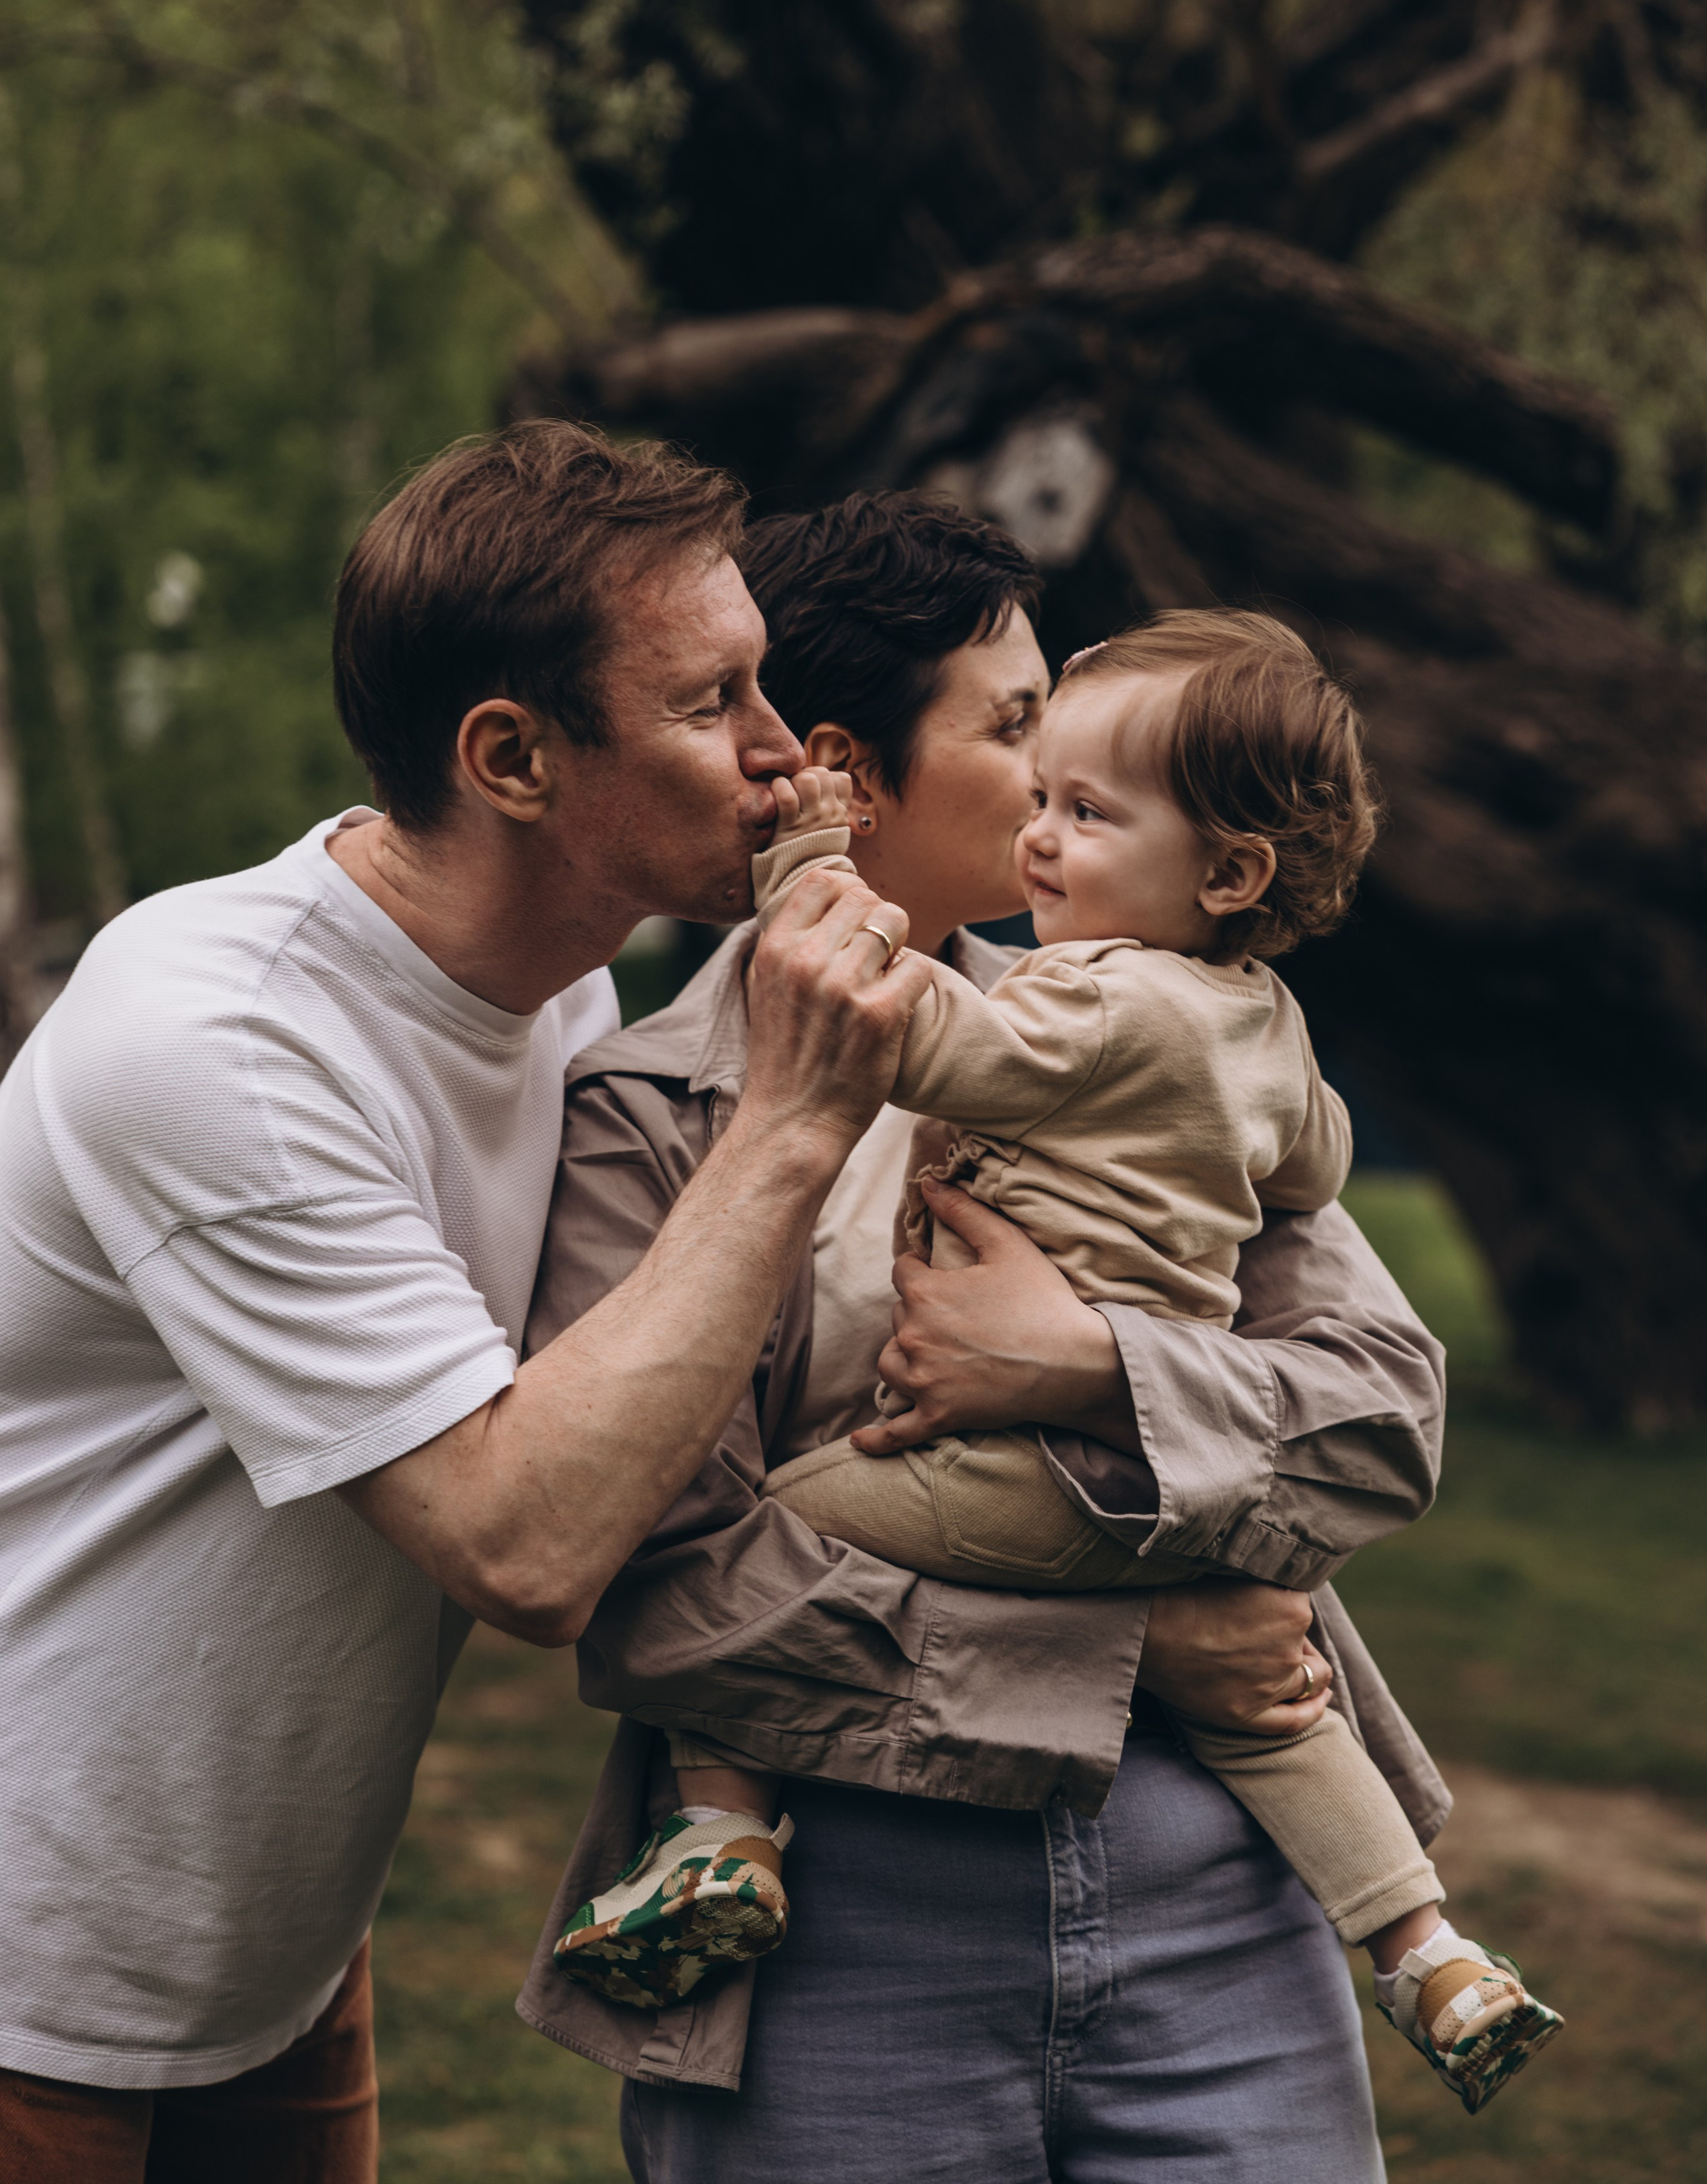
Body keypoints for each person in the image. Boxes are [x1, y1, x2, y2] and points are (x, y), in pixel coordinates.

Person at [0, 425, 932, 2182]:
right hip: (37, 1953)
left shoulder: (562, 998)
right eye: (710, 701)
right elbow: (518, 1541)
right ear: (511, 757)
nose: (778, 753)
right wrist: (800, 1119)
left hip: (273, 1952)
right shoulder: (220, 1040)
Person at [517, 495, 1454, 2183]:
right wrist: (1137, 1645)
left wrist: (1093, 1365)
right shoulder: (645, 1119)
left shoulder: (1160, 1024)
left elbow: (1381, 1421)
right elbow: (664, 1591)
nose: (1051, 778)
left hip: (1219, 1899)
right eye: (1016, 728)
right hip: (830, 1945)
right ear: (846, 773)